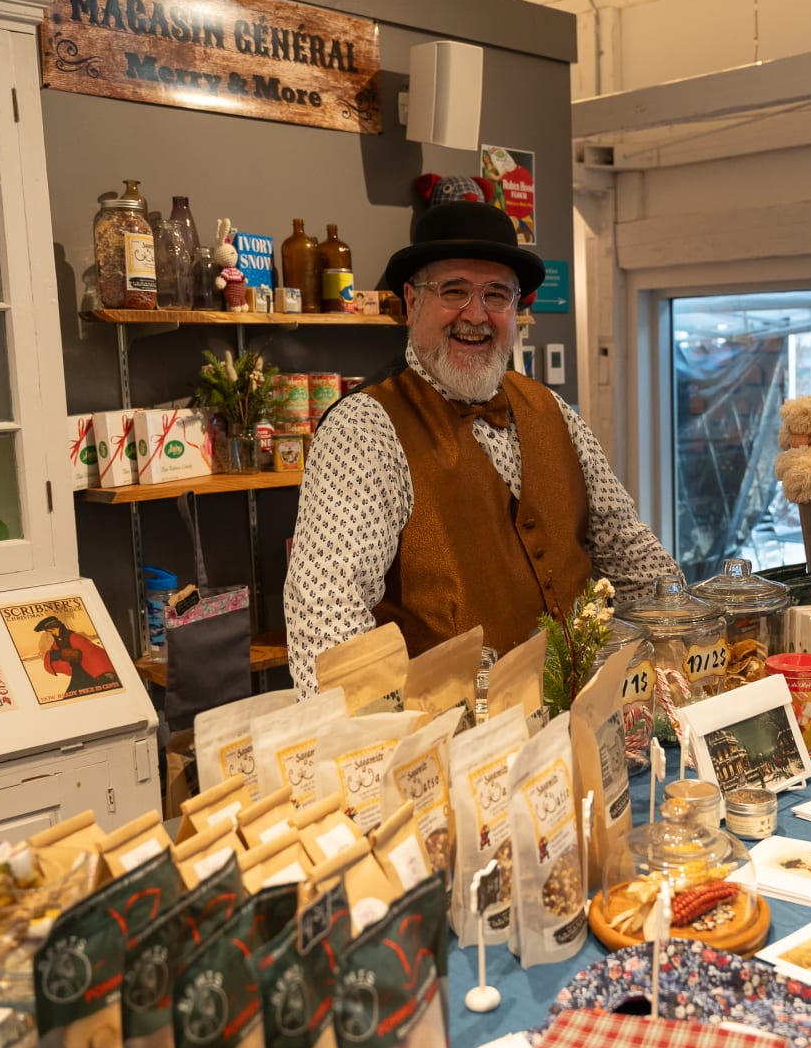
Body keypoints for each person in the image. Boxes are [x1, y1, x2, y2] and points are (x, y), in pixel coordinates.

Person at [284, 201, 680, 695]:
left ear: (515, 308)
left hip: (584, 728)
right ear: (412, 301)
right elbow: (326, 618)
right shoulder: (363, 430)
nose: (476, 314)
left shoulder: (551, 409)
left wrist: (670, 662)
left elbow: (636, 561)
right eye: (454, 291)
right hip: (456, 750)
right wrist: (377, 752)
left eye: (497, 294)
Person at [33, 614, 120, 698]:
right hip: (77, 672)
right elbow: (52, 654)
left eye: (53, 630)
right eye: (50, 631)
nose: (52, 633)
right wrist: (58, 654)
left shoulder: (75, 637)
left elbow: (92, 653)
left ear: (59, 627)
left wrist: (103, 671)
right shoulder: (57, 642)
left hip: (90, 671)